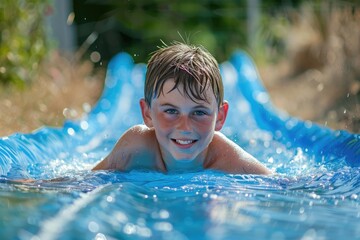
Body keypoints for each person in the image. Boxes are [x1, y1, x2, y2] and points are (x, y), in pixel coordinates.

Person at [93, 42, 271, 174]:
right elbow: (86, 182)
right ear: (147, 113)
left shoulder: (229, 160)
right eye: (171, 111)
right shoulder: (135, 147)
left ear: (220, 117)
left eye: (199, 112)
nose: (185, 127)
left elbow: (282, 185)